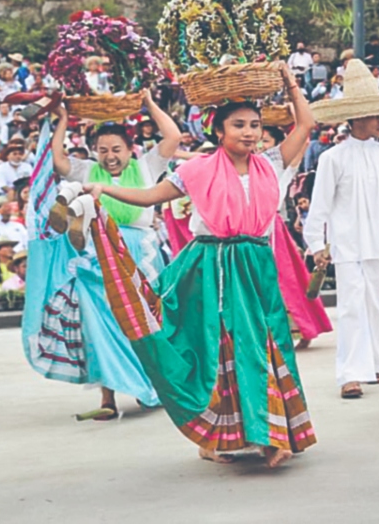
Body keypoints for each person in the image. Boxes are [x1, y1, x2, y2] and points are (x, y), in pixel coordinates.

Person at [83, 63, 317, 468]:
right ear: (219, 131)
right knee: (221, 350)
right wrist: (104, 189)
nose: (249, 132)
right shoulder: (196, 169)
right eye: (238, 124)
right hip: (213, 268)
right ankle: (216, 438)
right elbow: (151, 196)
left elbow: (306, 123)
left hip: (257, 266)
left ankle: (272, 433)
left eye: (255, 124)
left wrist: (291, 83)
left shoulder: (273, 164)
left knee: (269, 344)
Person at [27, 90, 179, 420]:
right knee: (98, 324)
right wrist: (64, 120)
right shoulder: (85, 170)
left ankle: (149, 386)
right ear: (95, 151)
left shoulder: (148, 167)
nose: (110, 156)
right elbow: (58, 161)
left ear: (130, 149)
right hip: (97, 256)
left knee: (144, 321)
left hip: (140, 254)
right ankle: (108, 397)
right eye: (103, 150)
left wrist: (150, 104)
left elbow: (174, 136)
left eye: (116, 150)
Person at [304, 59, 379, 400]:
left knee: (377, 303)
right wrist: (316, 243)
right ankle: (349, 372)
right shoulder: (333, 158)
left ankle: (372, 361)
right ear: (357, 117)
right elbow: (321, 206)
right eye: (375, 116)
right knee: (350, 306)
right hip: (346, 243)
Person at [258, 122, 333, 350]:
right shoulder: (243, 166)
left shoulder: (277, 167)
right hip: (251, 233)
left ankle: (299, 328)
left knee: (287, 282)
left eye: (266, 141)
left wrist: (298, 125)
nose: (260, 145)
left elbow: (301, 148)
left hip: (273, 232)